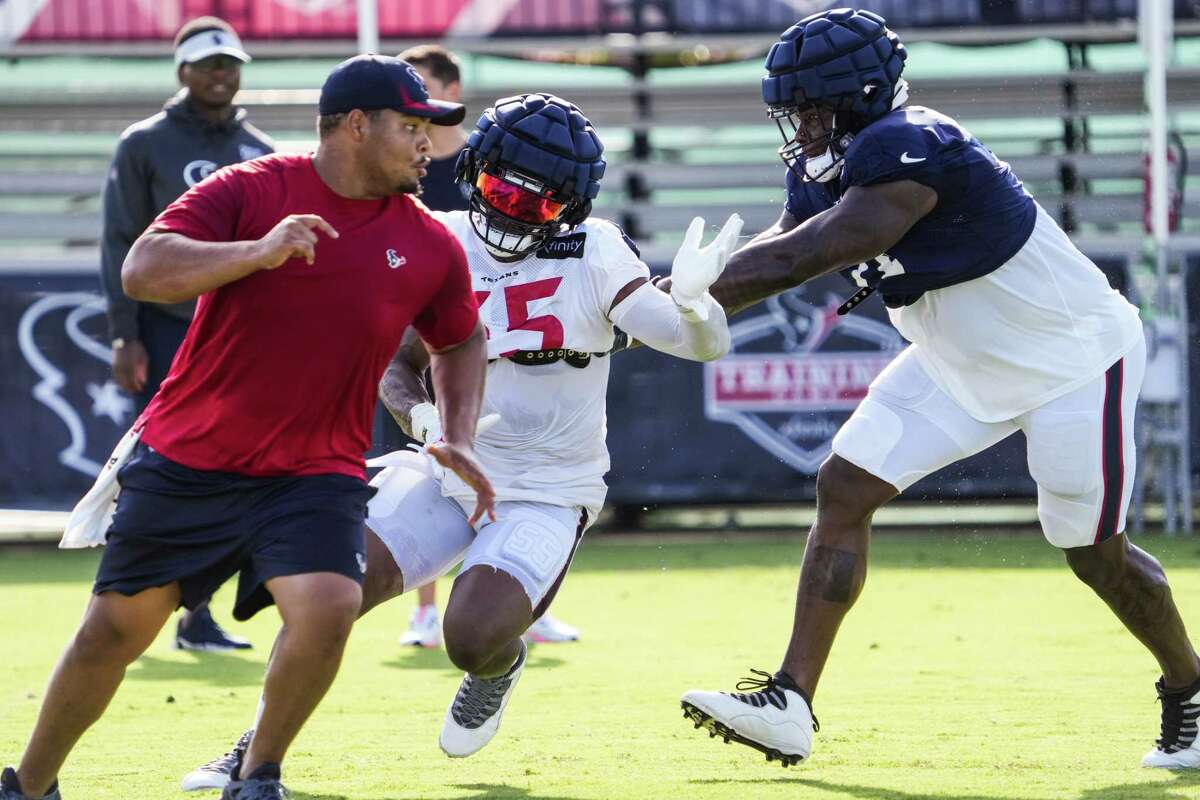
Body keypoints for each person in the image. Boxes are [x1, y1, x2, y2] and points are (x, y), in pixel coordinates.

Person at [674, 8, 1200, 770]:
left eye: (813, 112)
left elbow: (821, 251)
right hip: (955, 364)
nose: (801, 130)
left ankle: (1190, 689)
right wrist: (664, 300)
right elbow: (781, 241)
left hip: (1072, 363)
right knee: (845, 487)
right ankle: (790, 699)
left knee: (1095, 555)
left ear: (857, 100)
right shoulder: (830, 166)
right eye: (793, 114)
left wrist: (685, 299)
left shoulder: (908, 143)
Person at [180, 92, 740, 789]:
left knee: (470, 637)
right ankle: (255, 749)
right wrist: (429, 428)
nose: (510, 212)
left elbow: (695, 346)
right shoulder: (439, 236)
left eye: (535, 205)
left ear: (568, 206)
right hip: (446, 470)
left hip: (548, 490)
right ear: (474, 173)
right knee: (331, 592)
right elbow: (398, 364)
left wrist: (696, 304)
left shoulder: (593, 248)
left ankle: (499, 664)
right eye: (502, 191)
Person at [0, 55, 495, 800]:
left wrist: (455, 430)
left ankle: (257, 774)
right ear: (356, 126)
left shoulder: (428, 242)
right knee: (114, 633)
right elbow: (144, 268)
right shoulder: (252, 187)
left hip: (314, 470)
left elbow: (459, 339)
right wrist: (257, 254)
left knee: (329, 605)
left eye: (431, 129)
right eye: (412, 126)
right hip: (192, 457)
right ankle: (28, 785)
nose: (428, 144)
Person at [393, 44, 582, 649]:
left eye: (422, 90)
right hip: (436, 332)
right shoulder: (404, 168)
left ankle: (519, 589)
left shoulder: (494, 159)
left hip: (511, 327)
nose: (414, 109)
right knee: (433, 466)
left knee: (532, 458)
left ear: (452, 90)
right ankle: (425, 606)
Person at [100, 16, 274, 652]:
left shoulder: (259, 148)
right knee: (168, 469)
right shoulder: (144, 144)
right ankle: (129, 600)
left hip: (242, 339)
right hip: (169, 332)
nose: (222, 75)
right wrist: (125, 334)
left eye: (231, 64)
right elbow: (120, 243)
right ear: (183, 72)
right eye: (209, 65)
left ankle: (195, 613)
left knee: (237, 470)